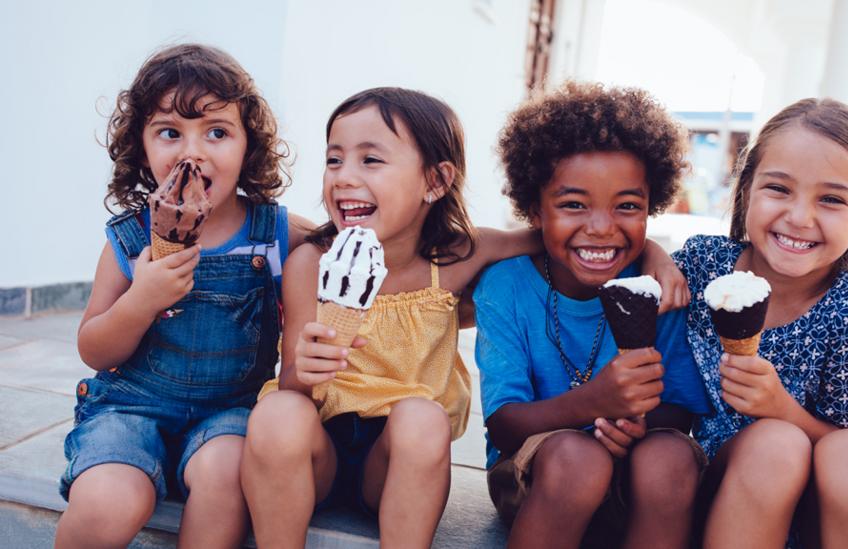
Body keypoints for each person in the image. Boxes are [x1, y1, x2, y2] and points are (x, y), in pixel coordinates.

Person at [240, 86, 687, 548]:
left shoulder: (457, 257)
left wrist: (653, 252)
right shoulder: (312, 264)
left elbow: (561, 235)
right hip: (317, 454)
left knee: (423, 417)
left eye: (370, 160)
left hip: (398, 459)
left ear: (435, 182)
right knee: (279, 411)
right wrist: (304, 371)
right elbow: (294, 384)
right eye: (335, 160)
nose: (344, 177)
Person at [55, 43, 312, 548]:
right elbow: (93, 348)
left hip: (230, 414)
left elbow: (346, 240)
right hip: (128, 408)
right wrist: (140, 300)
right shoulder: (129, 240)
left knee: (228, 477)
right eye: (170, 132)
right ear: (143, 148)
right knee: (108, 502)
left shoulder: (273, 232)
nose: (193, 151)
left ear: (247, 146)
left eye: (217, 132)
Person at [674, 98, 848, 548]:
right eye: (779, 189)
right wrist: (653, 258)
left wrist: (781, 408)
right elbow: (626, 279)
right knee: (774, 446)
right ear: (747, 187)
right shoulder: (702, 266)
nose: (799, 217)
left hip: (820, 520)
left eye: (831, 199)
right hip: (725, 494)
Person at [475, 82, 712, 549]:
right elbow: (503, 424)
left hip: (632, 480)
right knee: (578, 458)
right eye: (573, 205)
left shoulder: (658, 289)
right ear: (535, 210)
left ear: (652, 206)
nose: (602, 227)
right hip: (539, 475)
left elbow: (679, 411)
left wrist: (636, 423)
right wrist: (596, 402)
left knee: (671, 456)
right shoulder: (506, 286)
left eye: (627, 206)